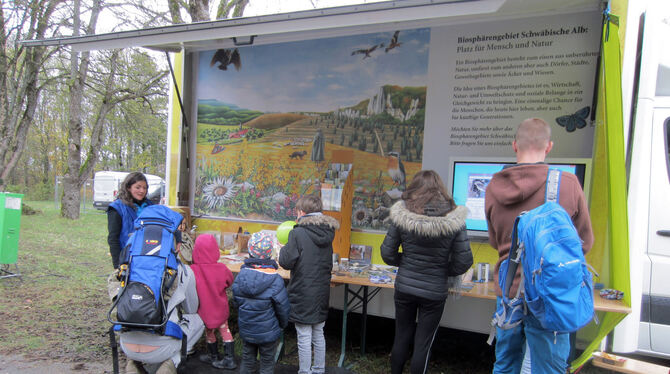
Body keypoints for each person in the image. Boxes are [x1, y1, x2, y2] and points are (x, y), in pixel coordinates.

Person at [485, 118, 594, 374]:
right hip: (551, 294)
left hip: (508, 292)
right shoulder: (567, 183)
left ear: (514, 146)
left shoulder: (492, 186)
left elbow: (494, 241)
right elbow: (584, 243)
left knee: (505, 364)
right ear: (549, 147)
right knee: (548, 368)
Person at [380, 170, 473, 374]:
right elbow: (464, 261)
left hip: (404, 287)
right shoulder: (454, 217)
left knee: (401, 336)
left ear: (415, 188)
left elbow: (387, 254)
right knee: (423, 344)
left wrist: (405, 262)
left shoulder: (402, 214)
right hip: (434, 291)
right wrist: (443, 270)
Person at [278, 194, 339, 374]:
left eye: (297, 212)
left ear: (302, 212)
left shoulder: (297, 233)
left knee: (304, 334)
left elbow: (286, 262)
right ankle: (318, 369)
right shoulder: (328, 232)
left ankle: (305, 371)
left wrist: (283, 249)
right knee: (318, 332)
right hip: (321, 291)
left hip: (303, 291)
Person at [120, 261, 205, 374]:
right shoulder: (183, 270)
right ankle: (171, 362)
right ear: (178, 247)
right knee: (198, 321)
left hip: (126, 345)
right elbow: (191, 309)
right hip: (161, 348)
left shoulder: (128, 265)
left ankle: (132, 364)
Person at [232, 231, 291, 374]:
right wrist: (282, 324)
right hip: (268, 332)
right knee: (267, 364)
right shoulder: (275, 279)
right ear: (270, 253)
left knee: (247, 360)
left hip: (247, 329)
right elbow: (282, 307)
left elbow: (236, 302)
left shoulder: (241, 276)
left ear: (250, 252)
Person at [190, 234, 237, 370]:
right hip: (220, 307)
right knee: (225, 330)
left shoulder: (193, 269)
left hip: (204, 309)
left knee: (209, 332)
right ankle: (229, 359)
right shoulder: (221, 268)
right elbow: (229, 282)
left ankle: (213, 355)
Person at [107, 172, 153, 271]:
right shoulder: (117, 208)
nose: (142, 191)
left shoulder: (151, 207)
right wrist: (118, 265)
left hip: (147, 258)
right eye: (138, 187)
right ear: (128, 187)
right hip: (127, 258)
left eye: (144, 188)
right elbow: (113, 239)